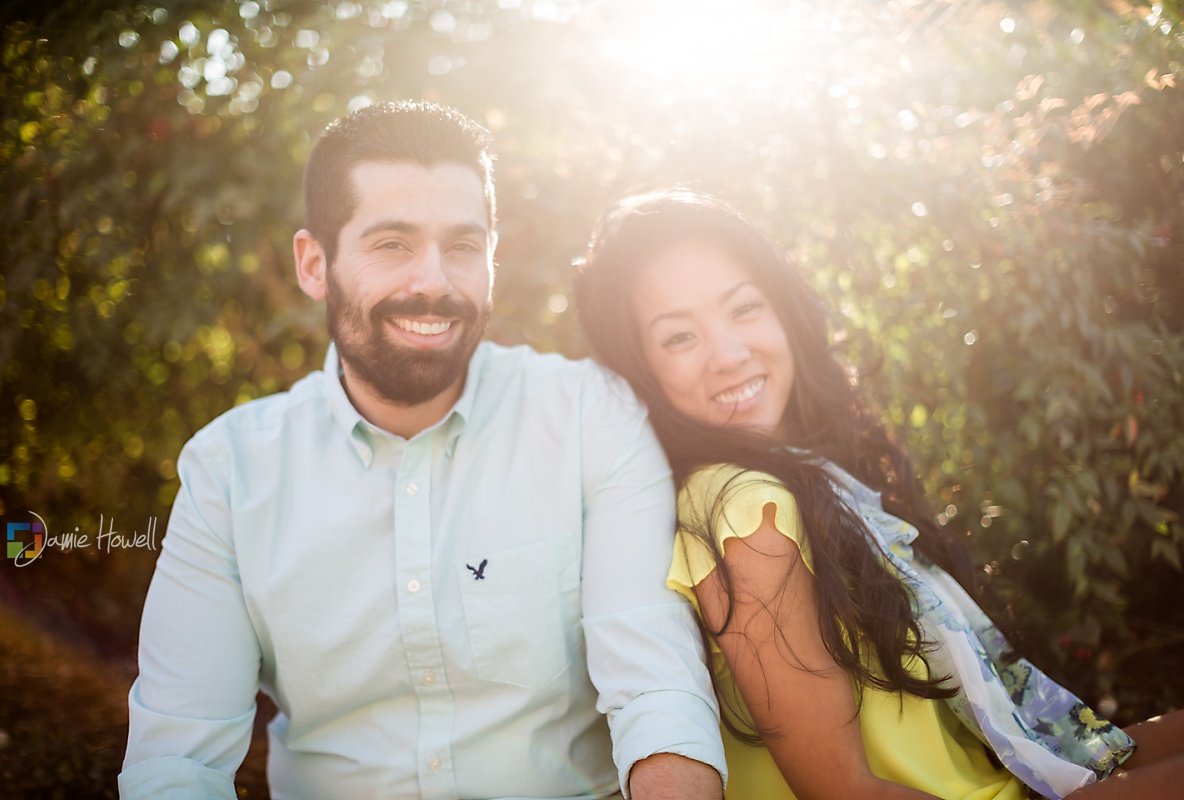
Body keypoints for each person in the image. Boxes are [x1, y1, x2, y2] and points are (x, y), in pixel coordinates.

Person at [119, 103, 727, 800]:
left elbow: (658, 693)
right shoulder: (231, 473)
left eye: (463, 246)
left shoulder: (591, 417)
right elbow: (180, 757)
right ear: (315, 265)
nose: (433, 281)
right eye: (392, 245)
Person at [574, 188, 1184, 800]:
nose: (730, 355)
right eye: (680, 338)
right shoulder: (741, 504)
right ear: (642, 372)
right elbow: (842, 791)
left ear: (783, 310)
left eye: (745, 308)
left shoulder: (817, 475)